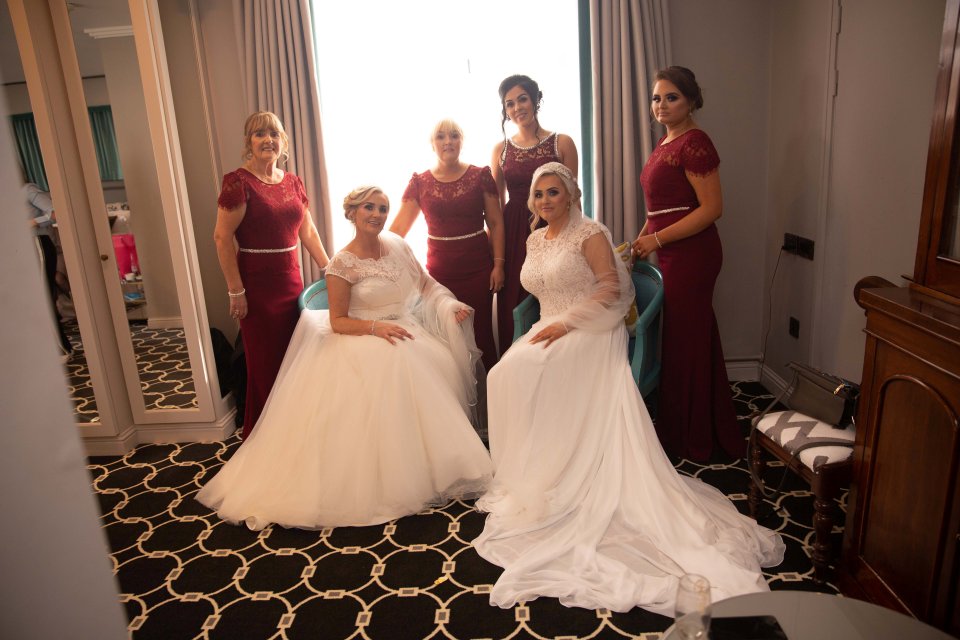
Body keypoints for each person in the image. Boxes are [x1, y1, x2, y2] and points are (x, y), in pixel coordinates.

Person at [473, 163, 784, 615]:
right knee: (503, 375)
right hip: (551, 327)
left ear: (572, 194)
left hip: (591, 331)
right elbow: (538, 292)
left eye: (553, 192)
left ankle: (563, 469)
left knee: (521, 375)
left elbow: (611, 291)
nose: (544, 201)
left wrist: (566, 324)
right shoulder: (534, 237)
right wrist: (546, 326)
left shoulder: (590, 233)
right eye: (538, 195)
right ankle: (537, 470)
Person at [197, 186, 492, 530]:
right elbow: (338, 322)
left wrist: (450, 305)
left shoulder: (398, 246)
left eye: (383, 208)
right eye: (370, 207)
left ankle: (426, 469)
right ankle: (383, 480)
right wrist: (375, 328)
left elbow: (427, 286)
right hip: (360, 335)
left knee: (419, 369)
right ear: (353, 212)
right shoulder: (341, 263)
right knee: (393, 370)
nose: (378, 215)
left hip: (404, 330)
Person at [631, 66, 743, 462]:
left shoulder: (695, 142)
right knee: (686, 339)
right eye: (657, 97)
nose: (661, 105)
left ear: (692, 100)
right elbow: (661, 208)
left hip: (695, 255)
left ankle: (695, 436)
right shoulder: (666, 142)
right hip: (672, 249)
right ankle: (701, 422)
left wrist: (656, 239)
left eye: (671, 97)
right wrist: (641, 239)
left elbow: (713, 208)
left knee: (686, 342)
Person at [213, 111, 329, 439]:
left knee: (296, 362)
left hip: (292, 285)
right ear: (248, 142)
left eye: (274, 134)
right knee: (267, 367)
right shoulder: (238, 182)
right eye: (259, 134)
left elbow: (307, 231)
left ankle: (297, 431)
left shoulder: (292, 182)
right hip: (257, 289)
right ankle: (269, 436)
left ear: (283, 142)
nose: (268, 140)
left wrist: (329, 267)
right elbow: (222, 238)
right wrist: (236, 291)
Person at [390, 119, 505, 370]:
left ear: (461, 141)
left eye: (454, 136)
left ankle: (489, 400)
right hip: (439, 275)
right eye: (441, 137)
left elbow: (496, 224)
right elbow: (397, 231)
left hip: (478, 271)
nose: (448, 142)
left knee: (481, 333)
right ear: (432, 144)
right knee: (445, 337)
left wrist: (498, 265)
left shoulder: (481, 176)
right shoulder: (420, 182)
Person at [492, 74, 578, 347]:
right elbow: (494, 209)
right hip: (514, 232)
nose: (517, 108)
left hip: (554, 229)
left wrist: (574, 242)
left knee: (554, 297)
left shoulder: (561, 142)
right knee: (515, 305)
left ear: (535, 100)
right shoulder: (500, 150)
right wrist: (497, 261)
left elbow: (573, 199)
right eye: (509, 104)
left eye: (522, 99)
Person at [24, 181, 72, 359]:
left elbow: (55, 213)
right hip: (23, 248)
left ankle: (62, 349)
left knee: (43, 296)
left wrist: (33, 221)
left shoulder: (27, 190)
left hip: (39, 244)